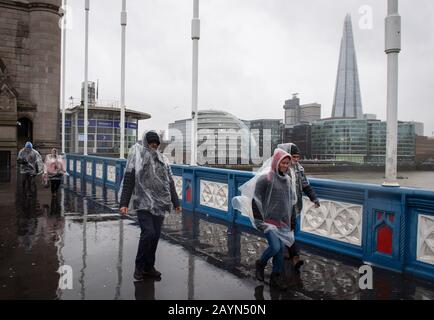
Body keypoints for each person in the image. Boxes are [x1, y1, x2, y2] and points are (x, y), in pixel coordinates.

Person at [119, 131, 181, 281]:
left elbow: (169, 182)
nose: (153, 146)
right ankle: (139, 267)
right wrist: (124, 203)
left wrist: (176, 202)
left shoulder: (163, 160)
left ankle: (149, 267)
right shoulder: (137, 157)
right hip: (143, 203)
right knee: (148, 233)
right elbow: (129, 179)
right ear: (146, 143)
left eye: (156, 144)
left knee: (155, 236)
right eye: (151, 143)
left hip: (160, 204)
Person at [233, 148, 296, 290]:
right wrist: (259, 220)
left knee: (280, 252)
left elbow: (289, 202)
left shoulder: (287, 180)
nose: (285, 166)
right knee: (275, 247)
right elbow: (256, 199)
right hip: (268, 221)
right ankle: (260, 264)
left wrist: (291, 219)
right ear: (276, 162)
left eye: (287, 163)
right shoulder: (266, 178)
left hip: (282, 222)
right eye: (283, 163)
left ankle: (276, 277)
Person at [277, 143, 320, 270]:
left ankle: (288, 253)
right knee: (286, 231)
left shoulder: (299, 169)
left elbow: (306, 186)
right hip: (281, 206)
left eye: (297, 157)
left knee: (289, 230)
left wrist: (314, 198)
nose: (296, 159)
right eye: (294, 156)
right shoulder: (279, 169)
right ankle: (293, 257)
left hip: (295, 206)